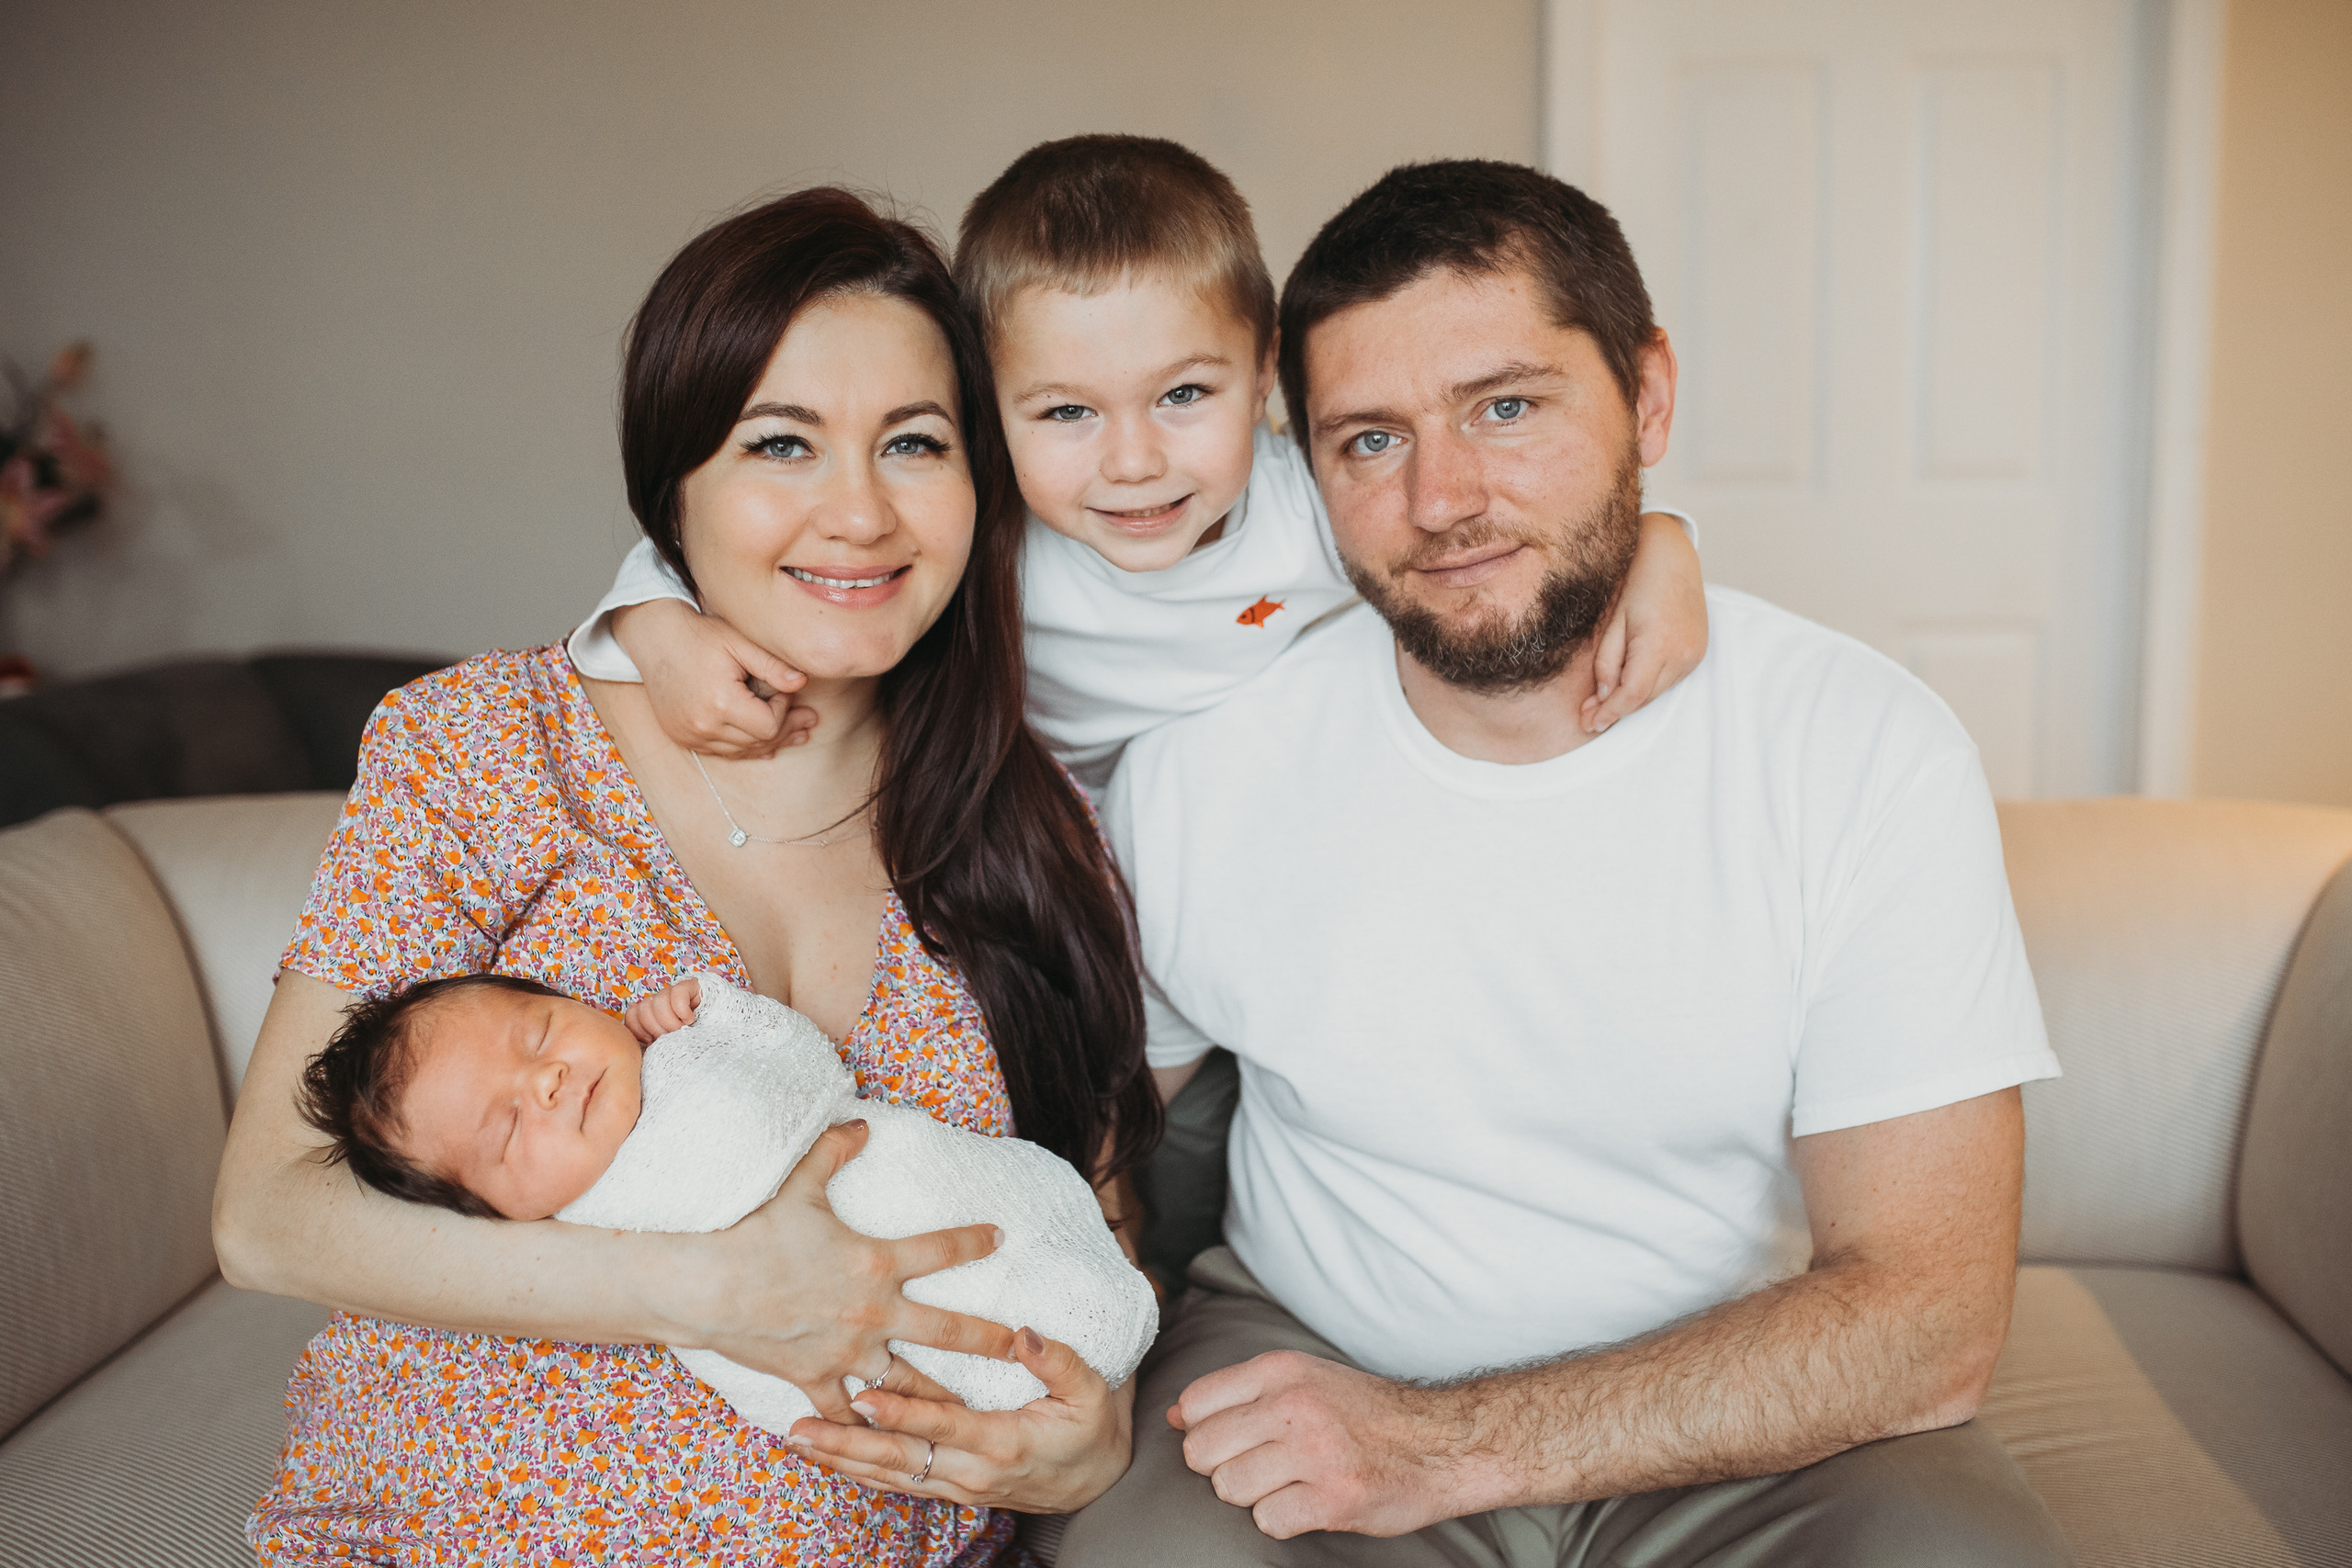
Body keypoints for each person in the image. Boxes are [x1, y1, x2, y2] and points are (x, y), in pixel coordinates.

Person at [1061, 160, 2073, 1567]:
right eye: (1370, 440)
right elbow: (1090, 1133)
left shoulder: (1862, 749)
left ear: (1647, 396)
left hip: (1740, 1408)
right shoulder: (1202, 761)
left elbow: (1928, 1312)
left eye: (1508, 407)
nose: (1443, 498)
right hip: (1309, 1356)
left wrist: (1447, 1442)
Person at [215, 187, 1152, 1565]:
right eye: (782, 442)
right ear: (675, 489)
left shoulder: (1039, 823)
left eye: (915, 442)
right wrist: (704, 1289)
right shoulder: (484, 744)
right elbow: (266, 1214)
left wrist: (1095, 1434)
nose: (859, 511)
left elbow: (1098, 1213)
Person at [567, 136, 1711, 792]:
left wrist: (1661, 545)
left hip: (1229, 836)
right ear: (989, 409)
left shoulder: (1314, 507)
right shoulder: (976, 523)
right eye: (1066, 412)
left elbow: (1480, 538)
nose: (1132, 462)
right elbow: (707, 550)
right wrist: (656, 634)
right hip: (1027, 843)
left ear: (1263, 376)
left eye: (1182, 396)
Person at [292, 968, 1157, 1431]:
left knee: (1027, 1246)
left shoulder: (685, 1060)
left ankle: (1094, 1317)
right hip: (875, 1386)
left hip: (924, 1192)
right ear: (493, 1215)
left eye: (541, 1032)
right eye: (508, 1127)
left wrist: (718, 1015)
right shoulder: (577, 1237)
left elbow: (807, 1073)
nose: (547, 1080)